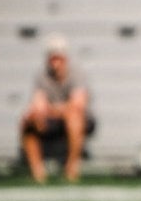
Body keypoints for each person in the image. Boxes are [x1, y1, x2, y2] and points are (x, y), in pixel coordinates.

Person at [19, 35, 96, 183]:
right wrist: (36, 114)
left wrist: (51, 109)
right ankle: (38, 172)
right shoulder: (42, 76)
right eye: (52, 58)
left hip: (80, 120)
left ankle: (72, 168)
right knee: (28, 122)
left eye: (58, 58)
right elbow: (38, 104)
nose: (55, 63)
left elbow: (77, 105)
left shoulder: (77, 74)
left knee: (73, 117)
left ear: (65, 58)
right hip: (54, 119)